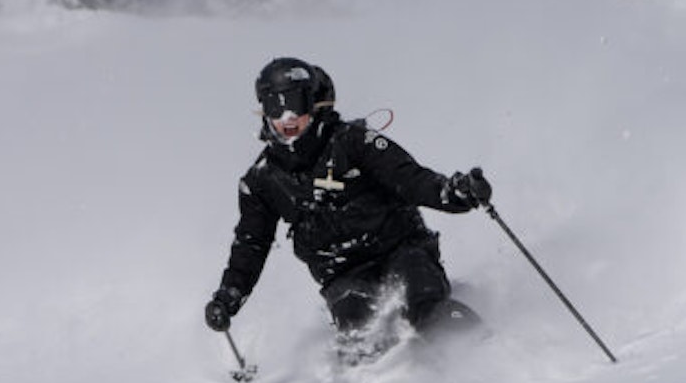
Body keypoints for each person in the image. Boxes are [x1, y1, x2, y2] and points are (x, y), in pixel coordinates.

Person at [204, 57, 492, 356]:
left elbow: (410, 179)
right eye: (275, 106)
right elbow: (251, 242)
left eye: (295, 102)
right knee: (359, 333)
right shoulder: (262, 179)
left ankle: (483, 355)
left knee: (422, 297)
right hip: (341, 273)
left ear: (314, 103)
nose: (287, 116)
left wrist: (456, 193)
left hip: (400, 248)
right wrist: (229, 296)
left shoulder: (353, 142)